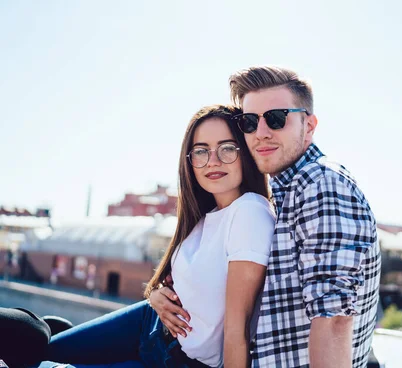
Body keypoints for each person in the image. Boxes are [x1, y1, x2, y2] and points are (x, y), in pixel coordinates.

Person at [152, 67, 381, 367]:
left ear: (309, 125)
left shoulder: (320, 184)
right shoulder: (287, 189)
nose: (261, 133)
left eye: (276, 118)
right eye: (250, 122)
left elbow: (333, 318)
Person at [35, 104, 276, 368]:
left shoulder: (250, 211)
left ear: (246, 153)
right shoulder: (204, 216)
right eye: (200, 151)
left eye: (227, 148)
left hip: (179, 361)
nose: (213, 161)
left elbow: (237, 328)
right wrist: (158, 295)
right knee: (38, 353)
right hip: (148, 322)